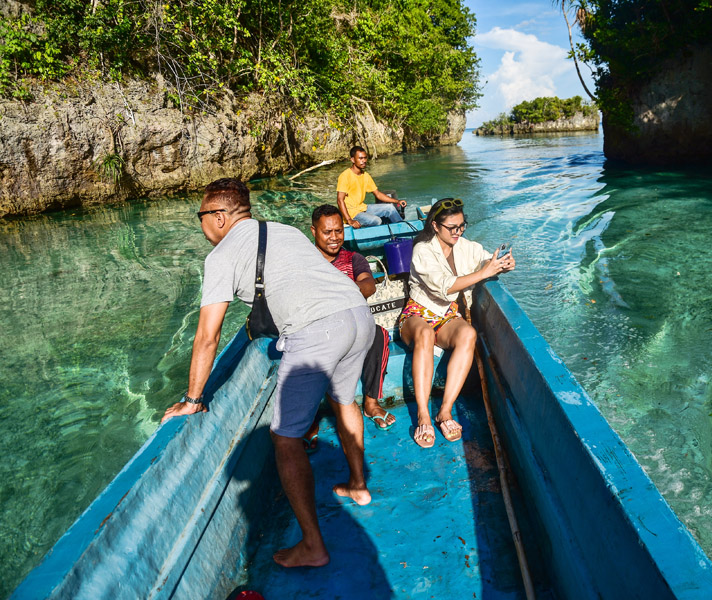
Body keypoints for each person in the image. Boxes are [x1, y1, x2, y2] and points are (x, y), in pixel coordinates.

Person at [161, 178, 375, 569]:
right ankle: (359, 486)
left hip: (318, 329)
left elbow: (207, 336)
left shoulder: (220, 256)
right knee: (345, 400)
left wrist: (193, 399)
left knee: (285, 437)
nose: (202, 224)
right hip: (359, 316)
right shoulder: (283, 230)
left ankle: (313, 545)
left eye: (202, 216)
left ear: (220, 217)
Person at [399, 198, 515, 448]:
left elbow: (485, 261)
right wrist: (485, 272)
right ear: (435, 225)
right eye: (452, 227)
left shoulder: (466, 246)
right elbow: (445, 287)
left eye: (462, 226)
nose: (458, 232)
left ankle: (445, 412)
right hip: (418, 313)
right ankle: (423, 414)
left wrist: (501, 265)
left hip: (446, 316)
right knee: (425, 336)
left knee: (468, 335)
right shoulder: (423, 250)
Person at [301, 204, 396, 451]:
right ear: (314, 231)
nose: (334, 238)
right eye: (327, 232)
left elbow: (368, 285)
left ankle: (371, 402)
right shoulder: (303, 264)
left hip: (352, 325)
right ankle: (310, 417)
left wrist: (339, 293)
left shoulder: (354, 258)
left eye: (339, 231)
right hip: (318, 329)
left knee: (378, 334)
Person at [337, 145, 406, 228]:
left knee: (390, 208)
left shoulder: (365, 175)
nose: (364, 161)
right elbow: (340, 200)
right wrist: (349, 220)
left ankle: (403, 230)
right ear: (352, 160)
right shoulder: (345, 176)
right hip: (351, 213)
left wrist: (397, 201)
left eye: (365, 158)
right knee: (376, 220)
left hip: (363, 208)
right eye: (360, 158)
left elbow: (378, 194)